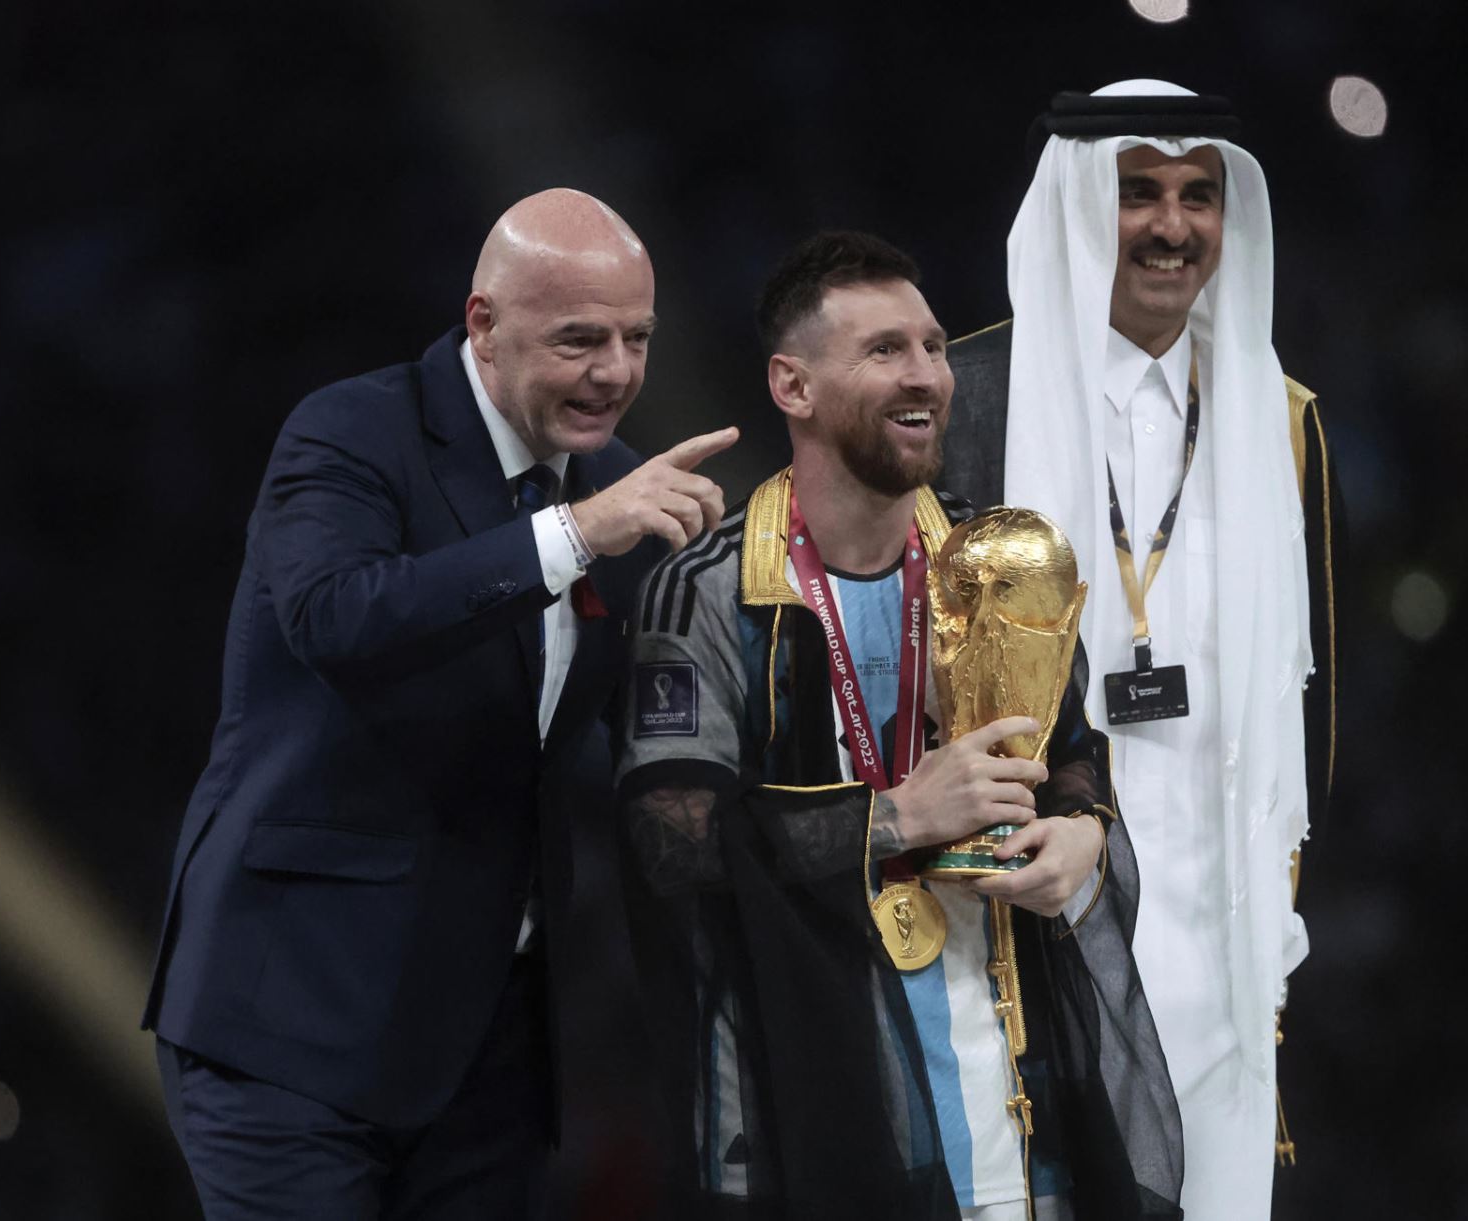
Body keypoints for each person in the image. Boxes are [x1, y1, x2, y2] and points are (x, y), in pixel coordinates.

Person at [141, 188, 738, 1219]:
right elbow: (338, 618)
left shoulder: (624, 490)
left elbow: (681, 725)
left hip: (485, 1050)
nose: (617, 372)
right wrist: (576, 535)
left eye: (637, 338)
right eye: (580, 339)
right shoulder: (353, 432)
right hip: (287, 1022)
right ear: (485, 325)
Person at [618, 231, 1181, 1220]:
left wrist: (1082, 834)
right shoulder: (706, 593)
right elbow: (671, 845)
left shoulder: (997, 561)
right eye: (884, 350)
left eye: (930, 345)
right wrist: (894, 818)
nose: (927, 373)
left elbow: (1075, 760)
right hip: (806, 1112)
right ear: (792, 387)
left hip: (1016, 1091)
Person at [938, 81, 1344, 1220]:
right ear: (1076, 206)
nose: (1174, 225)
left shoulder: (1281, 417)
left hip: (1222, 959)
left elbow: (1311, 711)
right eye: (1140, 193)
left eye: (1200, 195)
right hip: (1019, 941)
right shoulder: (969, 397)